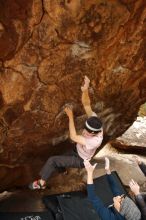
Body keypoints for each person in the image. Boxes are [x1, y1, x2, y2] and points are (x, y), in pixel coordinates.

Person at [29, 75, 103, 189]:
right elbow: (87, 104)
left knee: (52, 160)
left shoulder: (95, 141)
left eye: (88, 131)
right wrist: (85, 90)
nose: (85, 131)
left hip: (81, 160)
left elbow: (73, 136)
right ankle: (63, 170)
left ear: (94, 133)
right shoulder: (95, 120)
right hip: (77, 150)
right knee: (61, 157)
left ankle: (41, 183)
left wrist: (70, 117)